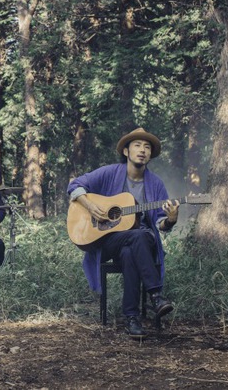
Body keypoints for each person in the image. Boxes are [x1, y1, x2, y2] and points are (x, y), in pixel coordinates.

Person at [67, 128, 178, 338]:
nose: (142, 150)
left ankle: (132, 319)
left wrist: (171, 220)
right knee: (138, 237)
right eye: (137, 145)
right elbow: (75, 186)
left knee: (133, 247)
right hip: (109, 242)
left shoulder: (156, 184)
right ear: (126, 151)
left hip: (140, 243)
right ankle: (156, 295)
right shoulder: (110, 172)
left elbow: (160, 223)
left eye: (147, 147)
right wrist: (90, 207)